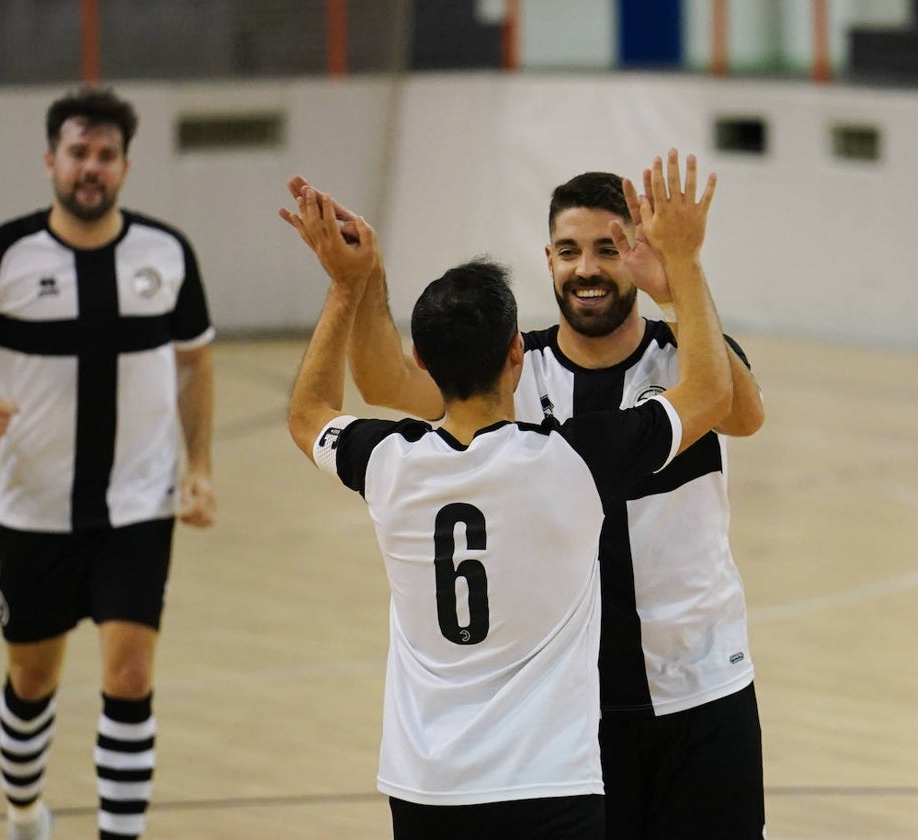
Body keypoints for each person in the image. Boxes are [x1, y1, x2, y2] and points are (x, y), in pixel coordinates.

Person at [287, 148, 767, 839]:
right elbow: (387, 381)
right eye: (569, 250)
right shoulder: (520, 367)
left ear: (639, 252)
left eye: (610, 248)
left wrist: (677, 285)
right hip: (576, 711)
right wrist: (367, 283)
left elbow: (744, 414)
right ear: (548, 260)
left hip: (697, 683)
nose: (588, 268)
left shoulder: (685, 351)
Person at [0, 86, 217, 840]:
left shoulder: (166, 254)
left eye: (105, 155)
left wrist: (197, 468)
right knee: (32, 680)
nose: (91, 167)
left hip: (138, 505)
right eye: (78, 152)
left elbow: (197, 365)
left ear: (126, 166)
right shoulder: (5, 255)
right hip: (33, 509)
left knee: (129, 675)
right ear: (50, 162)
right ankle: (23, 812)